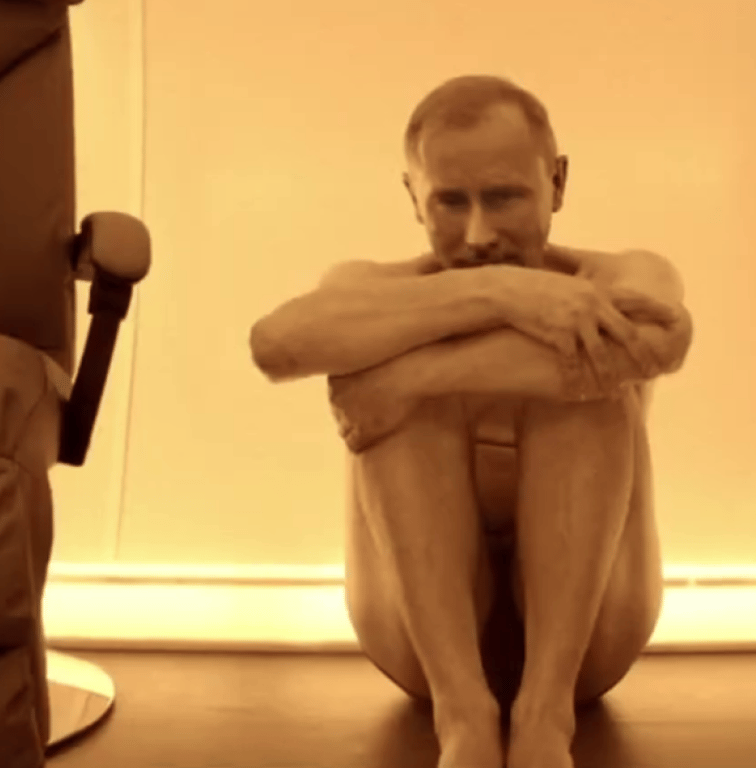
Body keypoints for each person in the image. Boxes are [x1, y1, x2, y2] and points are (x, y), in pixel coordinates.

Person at [249, 74, 692, 768]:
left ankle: (544, 717)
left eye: (505, 197)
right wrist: (502, 291)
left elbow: (659, 340)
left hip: (594, 640)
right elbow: (276, 346)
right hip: (416, 647)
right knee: (402, 397)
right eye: (450, 202)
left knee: (587, 390)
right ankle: (465, 719)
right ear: (413, 197)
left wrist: (412, 377)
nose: (479, 234)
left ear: (557, 182)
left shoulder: (621, 274)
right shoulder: (373, 285)